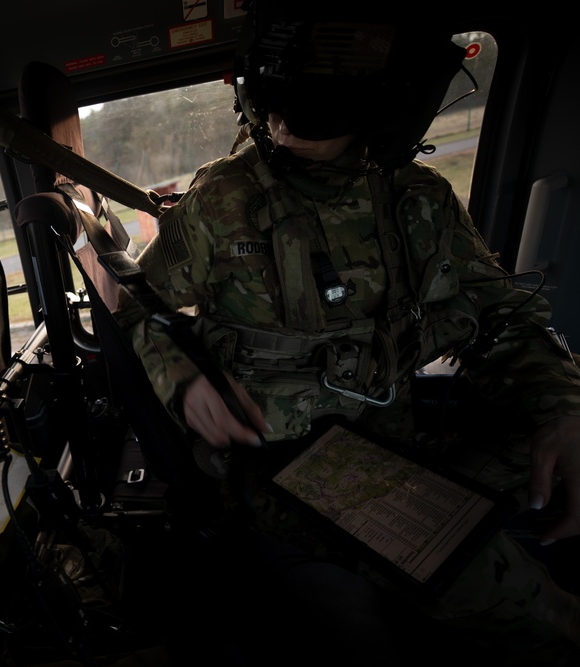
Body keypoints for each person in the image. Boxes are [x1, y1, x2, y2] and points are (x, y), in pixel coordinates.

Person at [115, 2, 580, 662]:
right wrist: (184, 382)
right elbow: (140, 309)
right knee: (518, 599)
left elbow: (500, 318)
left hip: (397, 440)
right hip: (277, 464)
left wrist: (563, 408)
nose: (284, 128)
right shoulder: (224, 198)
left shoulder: (417, 200)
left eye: (317, 114)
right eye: (276, 107)